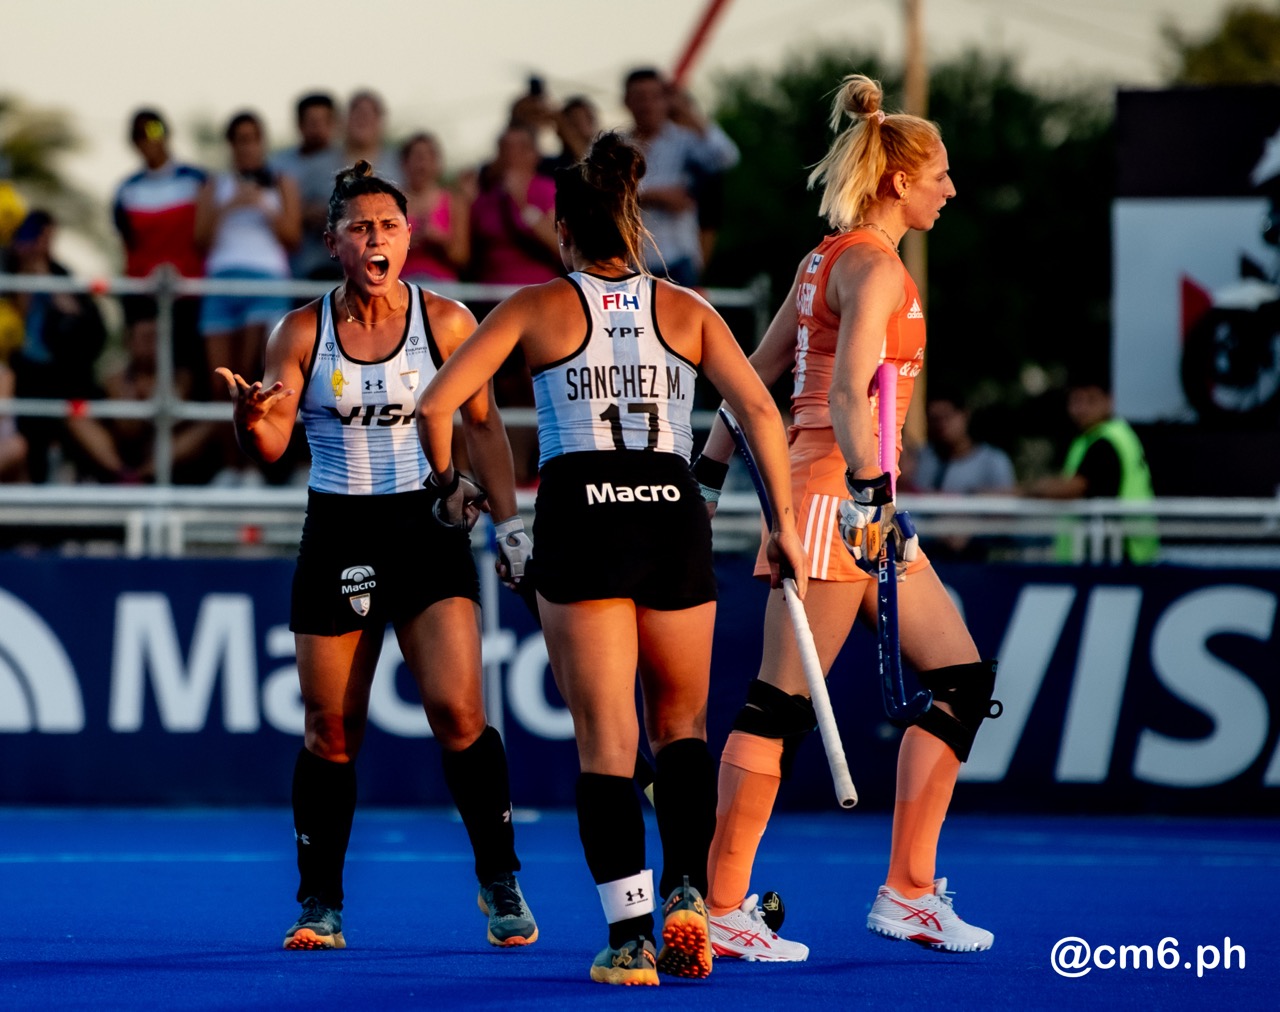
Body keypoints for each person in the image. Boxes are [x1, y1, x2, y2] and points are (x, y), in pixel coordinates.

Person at [418, 132, 808, 986]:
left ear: (561, 232)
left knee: (605, 739)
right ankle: (687, 900)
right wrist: (782, 526)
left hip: (582, 512)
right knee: (683, 731)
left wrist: (456, 487)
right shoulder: (689, 309)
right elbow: (760, 417)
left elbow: (438, 401)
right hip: (670, 512)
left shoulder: (534, 305)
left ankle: (630, 942)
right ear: (633, 220)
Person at [694, 73, 1001, 959]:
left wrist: (709, 477)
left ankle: (909, 890)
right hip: (840, 500)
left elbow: (750, 377)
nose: (950, 188)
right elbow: (840, 391)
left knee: (963, 682)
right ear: (900, 180)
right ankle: (721, 904)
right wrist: (871, 496)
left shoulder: (822, 259)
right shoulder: (871, 266)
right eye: (939, 174)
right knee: (779, 705)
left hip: (861, 503)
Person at [214, 161, 538, 953]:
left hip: (424, 529)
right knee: (330, 728)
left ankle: (500, 879)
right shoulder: (299, 332)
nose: (375, 238)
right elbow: (272, 444)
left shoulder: (451, 323)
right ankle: (319, 904)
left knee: (459, 714)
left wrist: (510, 523)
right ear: (333, 243)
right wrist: (247, 418)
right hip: (339, 531)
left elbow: (485, 427)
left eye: (388, 225)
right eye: (359, 228)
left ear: (409, 235)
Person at [195, 110, 301, 485]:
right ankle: (230, 468)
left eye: (253, 138)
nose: (247, 146)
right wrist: (230, 205)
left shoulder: (280, 182)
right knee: (218, 383)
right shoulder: (215, 185)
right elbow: (201, 239)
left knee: (249, 378)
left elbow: (292, 236)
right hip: (221, 283)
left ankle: (252, 466)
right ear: (231, 145)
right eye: (240, 139)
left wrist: (262, 205)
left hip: (264, 280)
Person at [4, 210, 118, 483]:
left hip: (59, 374)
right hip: (20, 372)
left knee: (75, 409)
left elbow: (81, 319)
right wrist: (26, 276)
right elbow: (13, 326)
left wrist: (45, 279)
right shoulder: (8, 270)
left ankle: (117, 474)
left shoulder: (59, 273)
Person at [111, 108, 209, 400]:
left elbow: (207, 236)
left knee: (189, 370)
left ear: (166, 133)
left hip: (190, 292)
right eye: (140, 134)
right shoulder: (127, 190)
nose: (149, 139)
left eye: (154, 130)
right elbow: (127, 243)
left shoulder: (197, 180)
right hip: (143, 292)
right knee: (143, 368)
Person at [621, 68, 739, 286]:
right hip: (629, 260)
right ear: (626, 101)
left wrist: (687, 112)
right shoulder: (617, 144)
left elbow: (726, 157)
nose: (647, 105)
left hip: (677, 257)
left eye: (654, 97)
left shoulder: (684, 140)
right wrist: (655, 196)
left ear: (666, 100)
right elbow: (597, 189)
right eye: (640, 97)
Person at [1024, 375, 1159, 563]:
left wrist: (1029, 490)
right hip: (1121, 550)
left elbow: (1076, 487)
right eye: (1076, 401)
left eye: (1091, 400)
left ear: (1109, 401)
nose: (1082, 408)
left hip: (1121, 553)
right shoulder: (1095, 438)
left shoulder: (1107, 441)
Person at [272, 93, 345, 282]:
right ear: (299, 124)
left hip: (337, 266)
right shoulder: (278, 164)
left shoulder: (346, 161)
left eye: (323, 121)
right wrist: (301, 214)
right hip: (292, 267)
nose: (317, 128)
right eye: (312, 121)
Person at [399, 132, 470, 281]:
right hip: (400, 286)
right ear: (405, 163)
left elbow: (462, 257)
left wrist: (439, 240)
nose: (422, 163)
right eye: (417, 156)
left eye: (429, 157)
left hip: (442, 288)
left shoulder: (454, 202)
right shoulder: (390, 203)